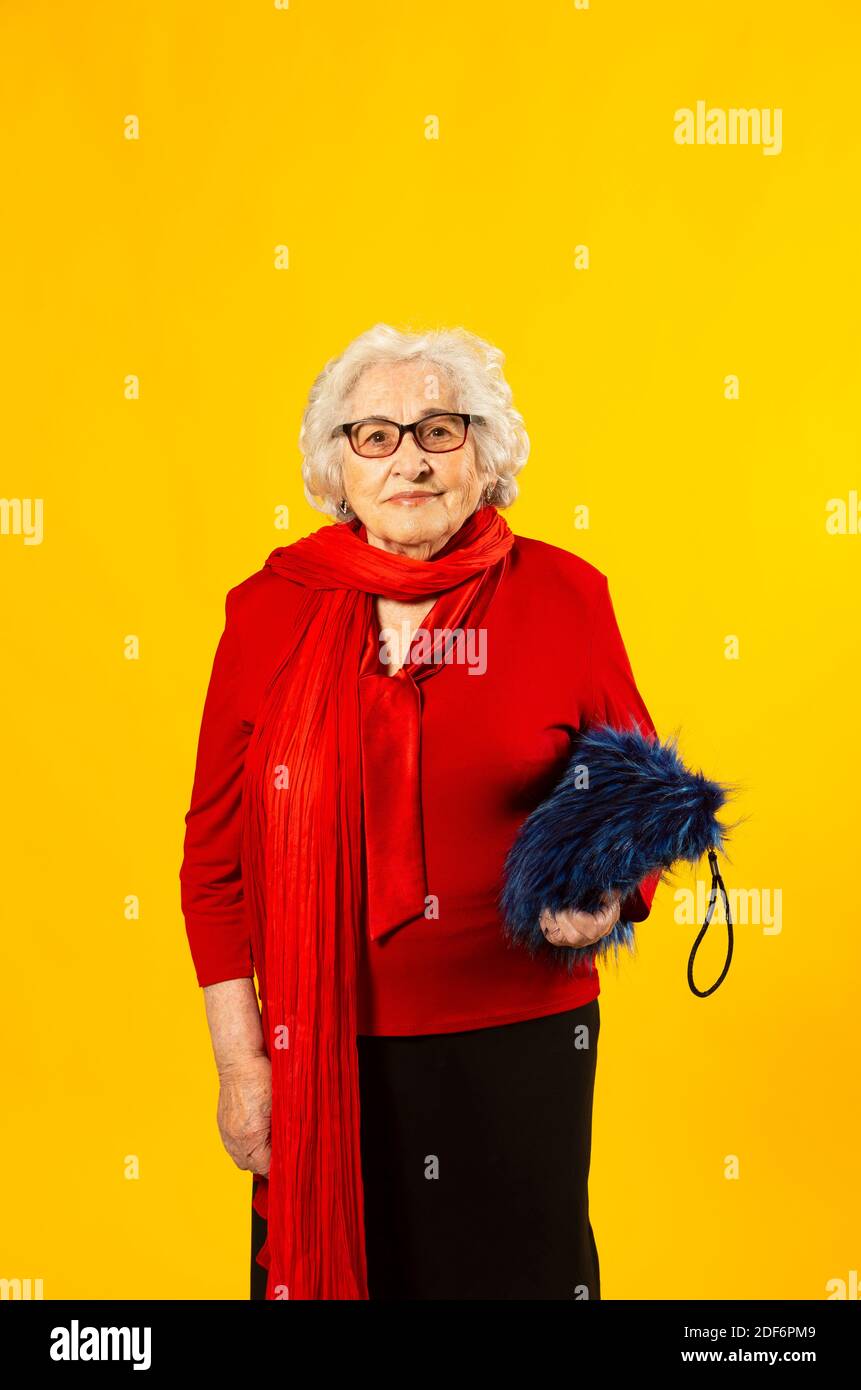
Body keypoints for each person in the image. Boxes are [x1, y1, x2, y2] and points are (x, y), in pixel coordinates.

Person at [178, 322, 660, 1300]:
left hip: (521, 1037)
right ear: (334, 466)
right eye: (376, 435)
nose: (409, 457)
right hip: (321, 1047)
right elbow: (212, 862)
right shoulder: (265, 611)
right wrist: (241, 1063)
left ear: (484, 455)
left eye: (440, 429)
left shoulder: (565, 594)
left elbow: (636, 794)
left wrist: (606, 893)